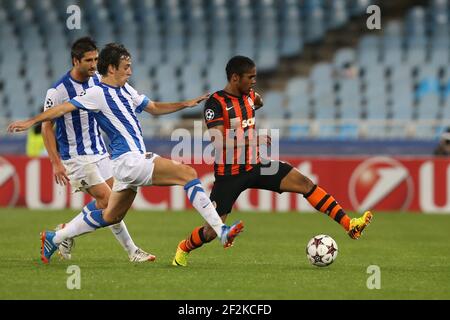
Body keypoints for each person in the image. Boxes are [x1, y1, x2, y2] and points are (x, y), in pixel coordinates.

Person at [8, 43, 244, 264]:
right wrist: (31, 121)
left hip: (122, 164)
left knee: (111, 215)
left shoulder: (126, 89)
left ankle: (55, 238)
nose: (130, 71)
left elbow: (152, 108)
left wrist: (185, 103)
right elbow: (62, 108)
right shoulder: (97, 93)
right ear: (111, 68)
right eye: (126, 66)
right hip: (129, 161)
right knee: (187, 172)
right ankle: (221, 231)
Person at [172, 56, 373, 267]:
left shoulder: (249, 95)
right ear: (234, 77)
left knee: (305, 183)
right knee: (212, 231)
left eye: (255, 77)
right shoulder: (215, 103)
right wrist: (252, 137)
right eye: (250, 77)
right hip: (229, 175)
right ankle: (183, 248)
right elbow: (219, 141)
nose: (254, 81)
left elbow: (257, 101)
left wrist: (255, 102)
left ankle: (349, 224)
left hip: (257, 165)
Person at [41, 37, 153, 262]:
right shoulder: (58, 91)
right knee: (110, 201)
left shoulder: (97, 83)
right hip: (77, 157)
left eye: (96, 60)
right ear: (75, 61)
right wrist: (55, 162)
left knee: (115, 205)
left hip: (101, 153)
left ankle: (61, 233)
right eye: (88, 60)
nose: (94, 65)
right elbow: (46, 128)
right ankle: (132, 251)